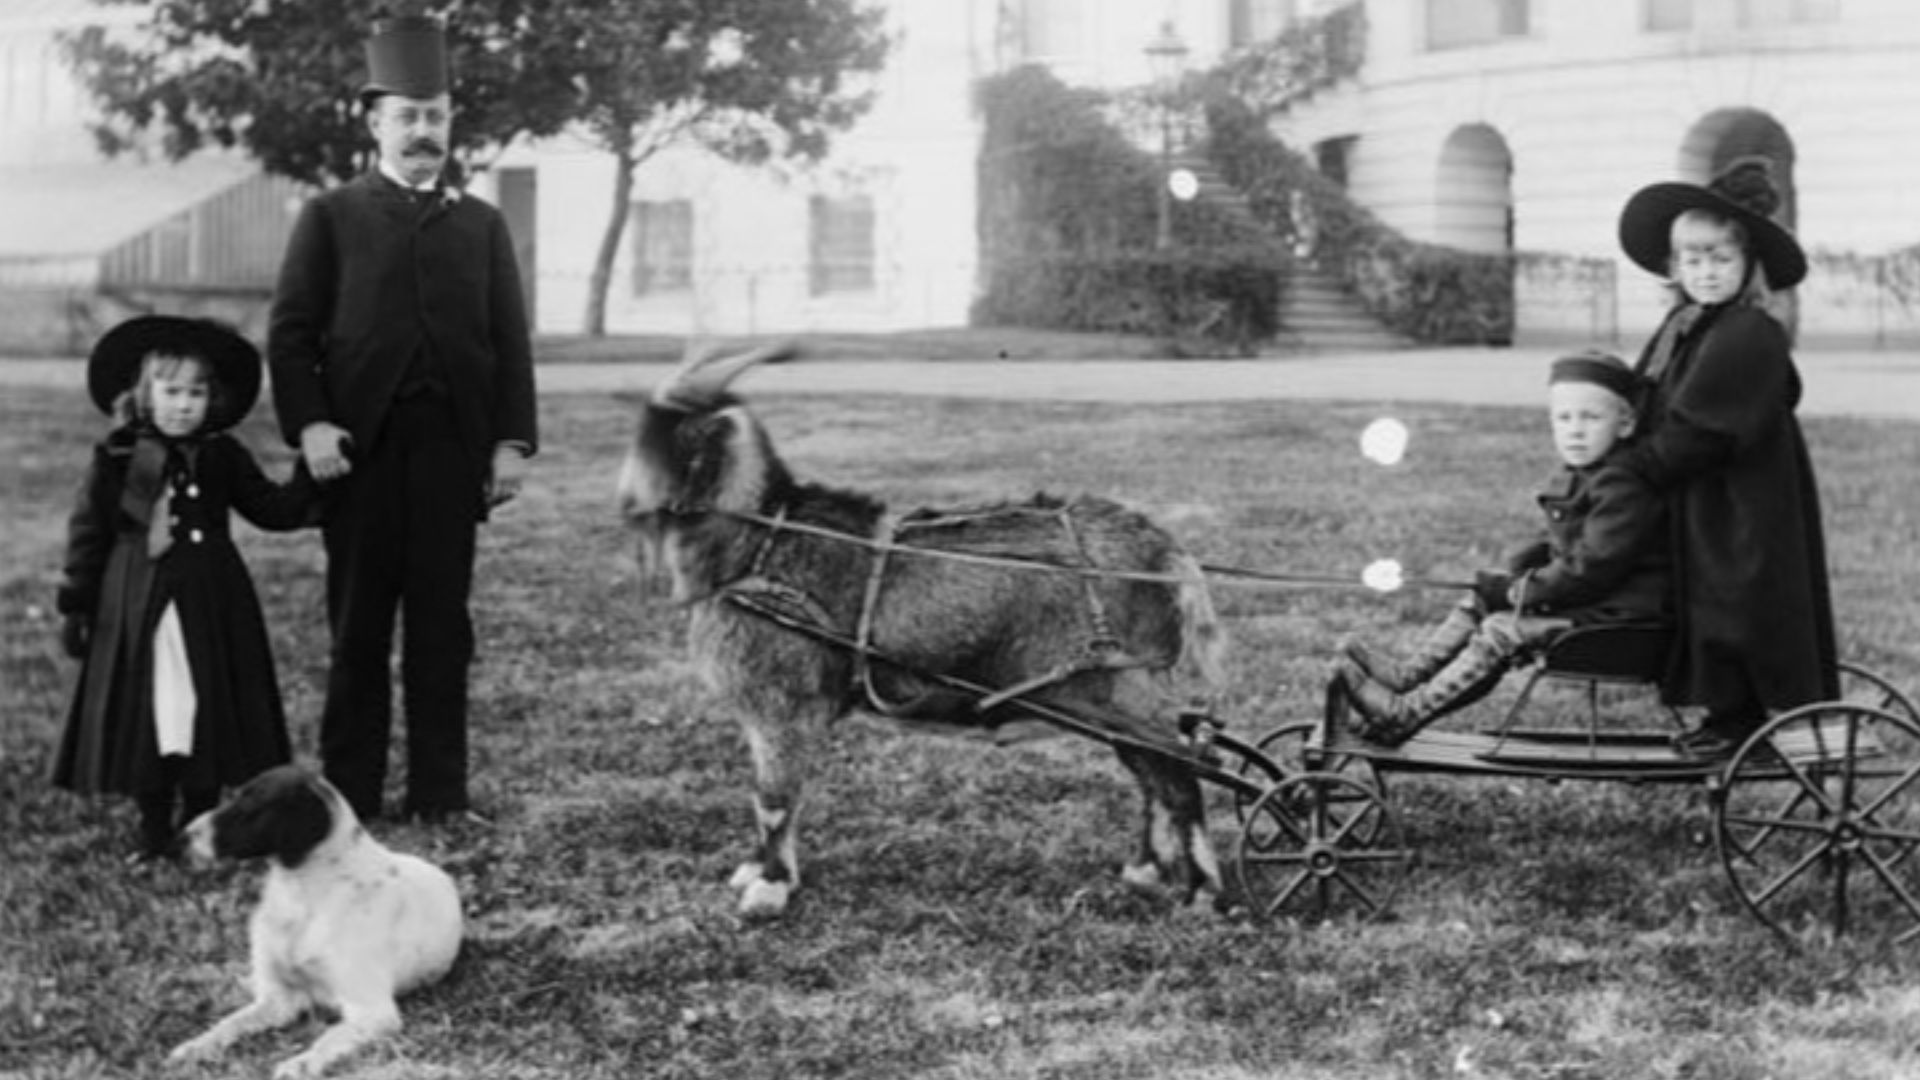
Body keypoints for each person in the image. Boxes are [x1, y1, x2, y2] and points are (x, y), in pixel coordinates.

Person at [267, 12, 537, 823]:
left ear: (452, 121)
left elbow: (508, 342)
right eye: (408, 115)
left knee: (441, 632)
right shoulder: (332, 217)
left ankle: (440, 794)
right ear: (375, 121)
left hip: (451, 459)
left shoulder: (481, 225)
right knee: (358, 633)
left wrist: (511, 441)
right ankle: (349, 795)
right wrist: (312, 425)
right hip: (358, 459)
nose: (425, 130)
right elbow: (290, 334)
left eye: (437, 114)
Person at [53, 316, 318, 861]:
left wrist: (311, 475)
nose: (183, 405)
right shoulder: (117, 458)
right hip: (136, 601)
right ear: (144, 394)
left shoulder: (222, 455)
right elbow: (88, 534)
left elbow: (272, 508)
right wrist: (77, 605)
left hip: (210, 599)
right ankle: (153, 831)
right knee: (154, 707)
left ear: (213, 399)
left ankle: (200, 821)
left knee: (203, 704)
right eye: (171, 391)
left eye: (196, 393)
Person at [1331, 351, 1670, 747]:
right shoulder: (1587, 474)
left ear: (1626, 423)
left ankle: (1405, 714)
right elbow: (1566, 544)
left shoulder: (1623, 486)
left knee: (1500, 630)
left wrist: (1519, 591)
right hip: (1588, 606)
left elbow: (1592, 566)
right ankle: (1409, 676)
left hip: (1618, 619)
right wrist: (1519, 568)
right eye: (1564, 419)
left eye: (1591, 418)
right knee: (1479, 602)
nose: (1575, 431)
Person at [1615, 155, 1838, 757]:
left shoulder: (1746, 332)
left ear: (1748, 265)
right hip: (1703, 495)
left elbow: (1704, 429)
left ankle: (1741, 725)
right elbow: (1650, 394)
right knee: (1702, 598)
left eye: (1721, 259)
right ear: (1673, 265)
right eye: (1692, 259)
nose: (1706, 272)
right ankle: (1724, 715)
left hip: (1741, 501)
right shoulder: (1688, 322)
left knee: (1731, 601)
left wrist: (1639, 468)